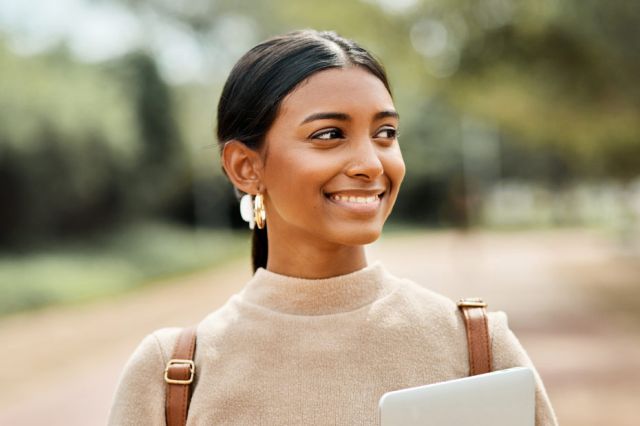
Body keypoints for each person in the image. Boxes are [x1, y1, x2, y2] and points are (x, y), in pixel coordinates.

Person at [108, 29, 558, 425]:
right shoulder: (174, 374)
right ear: (245, 167)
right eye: (329, 135)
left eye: (384, 133)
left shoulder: (476, 346)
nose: (370, 163)